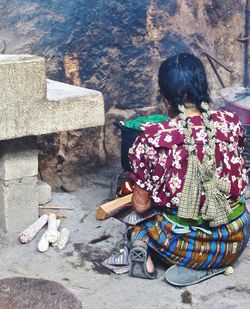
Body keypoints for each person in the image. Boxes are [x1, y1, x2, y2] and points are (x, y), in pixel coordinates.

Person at [128, 53, 249, 285]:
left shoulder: (153, 137)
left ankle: (148, 257)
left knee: (138, 225)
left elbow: (141, 205)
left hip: (185, 247)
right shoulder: (230, 123)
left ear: (165, 99)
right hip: (235, 240)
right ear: (203, 89)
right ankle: (219, 262)